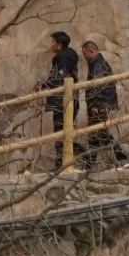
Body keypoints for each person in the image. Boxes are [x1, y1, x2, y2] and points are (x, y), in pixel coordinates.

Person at [44, 29, 82, 169]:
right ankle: (62, 163)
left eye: (53, 42)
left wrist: (45, 85)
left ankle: (66, 162)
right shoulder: (65, 57)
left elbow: (61, 77)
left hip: (64, 101)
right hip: (66, 100)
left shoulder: (64, 58)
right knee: (62, 132)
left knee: (62, 133)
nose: (51, 44)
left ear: (59, 45)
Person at [82, 37, 121, 159]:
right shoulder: (97, 63)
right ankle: (90, 164)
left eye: (84, 53)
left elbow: (97, 86)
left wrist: (95, 105)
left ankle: (120, 157)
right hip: (102, 104)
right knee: (97, 134)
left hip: (100, 105)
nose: (84, 57)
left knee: (99, 134)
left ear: (91, 51)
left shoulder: (98, 65)